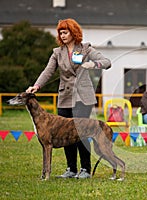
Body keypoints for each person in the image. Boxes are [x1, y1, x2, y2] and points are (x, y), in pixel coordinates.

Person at [26, 18, 111, 179]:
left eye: (65, 32)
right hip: (65, 96)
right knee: (64, 133)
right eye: (60, 33)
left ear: (74, 32)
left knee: (81, 133)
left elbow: (107, 62)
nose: (62, 35)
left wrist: (93, 65)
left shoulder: (86, 49)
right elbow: (48, 71)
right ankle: (71, 169)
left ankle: (85, 169)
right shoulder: (57, 52)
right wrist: (36, 86)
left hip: (82, 97)